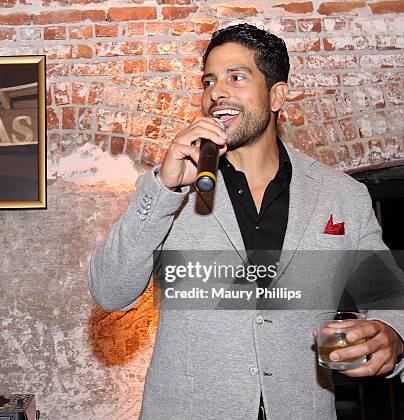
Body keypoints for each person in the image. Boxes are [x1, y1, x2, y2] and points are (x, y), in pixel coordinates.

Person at [88, 24, 404, 419]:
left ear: (276, 95)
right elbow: (110, 290)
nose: (216, 92)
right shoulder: (172, 187)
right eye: (209, 81)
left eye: (236, 77)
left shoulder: (341, 195)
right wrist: (164, 188)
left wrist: (393, 335)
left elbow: (389, 298)